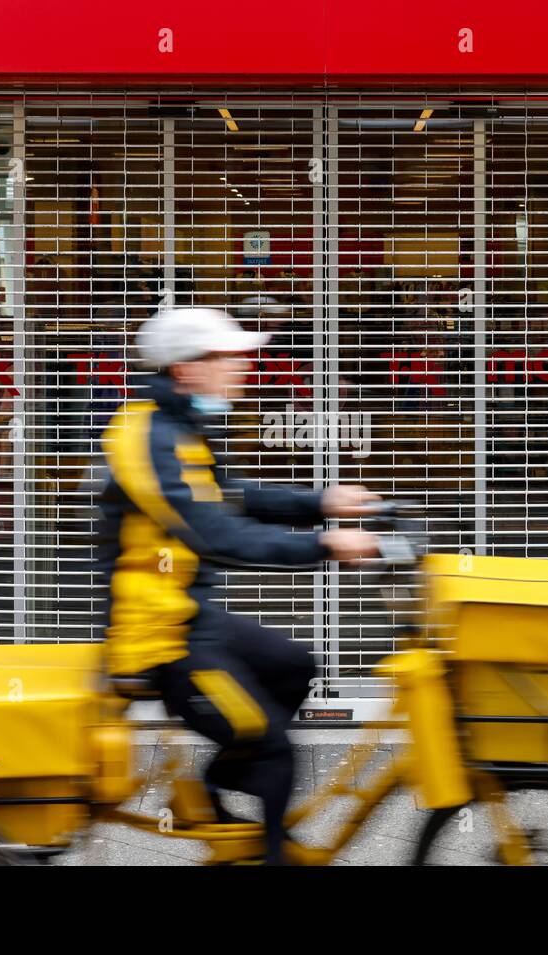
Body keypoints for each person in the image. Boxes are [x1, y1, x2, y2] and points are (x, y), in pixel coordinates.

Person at [95, 307, 381, 864]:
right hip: (160, 638)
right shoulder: (145, 437)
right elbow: (215, 531)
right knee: (275, 752)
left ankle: (213, 787)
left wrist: (322, 503)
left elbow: (230, 495)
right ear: (185, 370)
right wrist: (325, 544)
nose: (243, 366)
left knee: (295, 665)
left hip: (189, 614)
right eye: (227, 356)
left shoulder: (182, 427)